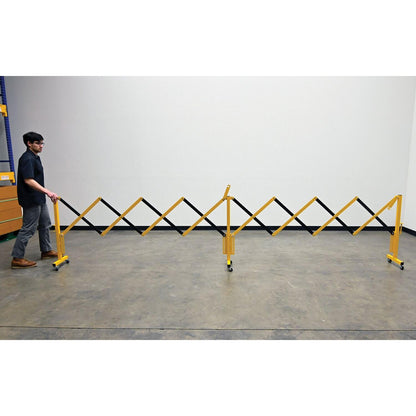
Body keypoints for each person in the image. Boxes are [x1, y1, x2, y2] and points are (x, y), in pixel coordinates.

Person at [11, 132, 59, 269]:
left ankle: (46, 250)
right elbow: (28, 180)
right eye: (38, 143)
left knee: (45, 223)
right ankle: (17, 258)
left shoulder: (35, 157)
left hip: (39, 198)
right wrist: (48, 192)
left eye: (42, 143)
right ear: (29, 144)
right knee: (29, 228)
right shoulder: (27, 158)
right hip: (30, 199)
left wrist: (44, 193)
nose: (41, 146)